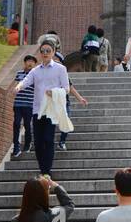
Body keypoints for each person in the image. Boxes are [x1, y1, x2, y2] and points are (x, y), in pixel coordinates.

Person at [14, 40, 87, 177]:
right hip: (37, 110)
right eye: (43, 51)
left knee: (48, 139)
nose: (45, 53)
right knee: (38, 142)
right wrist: (19, 87)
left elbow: (66, 88)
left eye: (48, 51)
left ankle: (46, 171)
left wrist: (54, 92)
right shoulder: (35, 71)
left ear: (53, 52)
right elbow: (26, 80)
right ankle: (43, 169)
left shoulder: (60, 69)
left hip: (52, 110)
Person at [12, 54, 37, 157]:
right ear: (25, 63)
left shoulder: (35, 75)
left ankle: (27, 144)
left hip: (29, 104)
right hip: (18, 103)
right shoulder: (19, 73)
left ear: (35, 64)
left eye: (32, 61)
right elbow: (16, 85)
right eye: (28, 61)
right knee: (16, 124)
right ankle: (16, 147)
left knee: (27, 125)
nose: (30, 63)